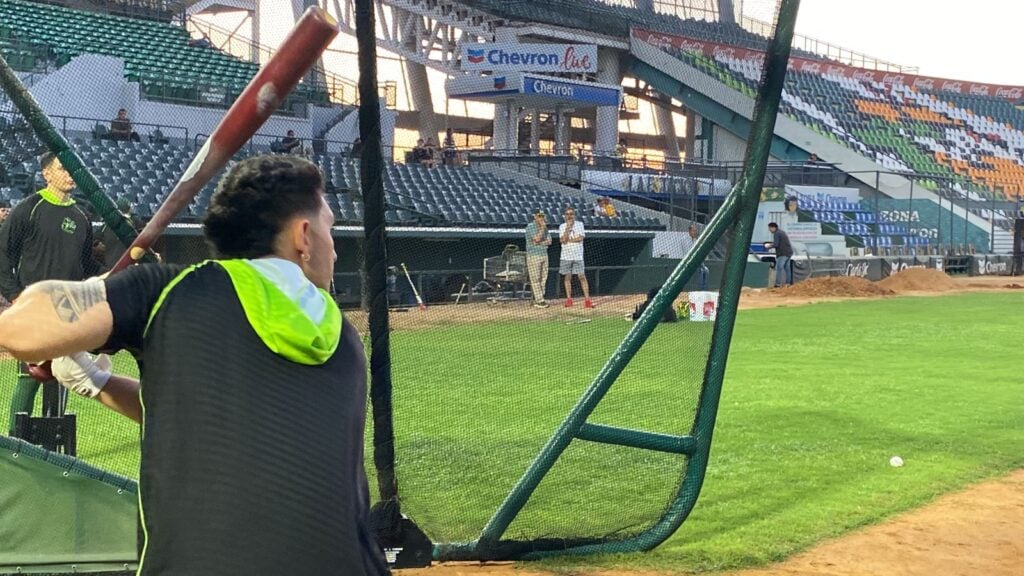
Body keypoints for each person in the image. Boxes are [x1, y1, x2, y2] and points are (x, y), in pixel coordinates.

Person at [0, 155, 389, 575]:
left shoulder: (176, 291)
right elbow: (223, 419)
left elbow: (20, 331)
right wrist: (98, 381)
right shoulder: (342, 339)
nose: (334, 247)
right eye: (330, 228)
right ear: (305, 235)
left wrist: (98, 305)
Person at [0, 152, 100, 435]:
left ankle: (55, 447)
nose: (70, 174)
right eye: (62, 168)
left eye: (73, 169)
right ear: (46, 174)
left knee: (63, 376)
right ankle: (15, 443)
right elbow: (2, 253)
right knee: (29, 377)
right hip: (32, 309)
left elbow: (87, 265)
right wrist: (15, 296)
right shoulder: (28, 209)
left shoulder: (81, 216)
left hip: (68, 310)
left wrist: (121, 272)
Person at [559, 207, 592, 308]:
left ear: (574, 215)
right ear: (565, 216)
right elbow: (563, 240)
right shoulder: (562, 226)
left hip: (578, 256)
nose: (569, 216)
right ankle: (569, 299)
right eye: (567, 214)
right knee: (567, 277)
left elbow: (580, 238)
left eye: (571, 214)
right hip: (566, 256)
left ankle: (587, 300)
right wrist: (567, 229)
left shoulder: (579, 224)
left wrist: (570, 240)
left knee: (581, 276)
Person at [524, 209, 551, 308]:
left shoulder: (545, 228)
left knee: (544, 278)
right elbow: (536, 239)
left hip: (544, 254)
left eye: (542, 216)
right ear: (535, 216)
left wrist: (539, 242)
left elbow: (549, 241)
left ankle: (539, 298)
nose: (541, 218)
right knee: (535, 278)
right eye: (539, 216)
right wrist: (542, 228)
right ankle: (539, 301)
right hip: (534, 255)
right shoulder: (530, 227)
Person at [766, 222, 794, 288]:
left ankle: (777, 284)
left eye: (770, 228)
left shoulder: (777, 233)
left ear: (773, 227)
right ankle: (788, 283)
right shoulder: (781, 232)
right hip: (788, 252)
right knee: (787, 269)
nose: (769, 230)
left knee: (779, 268)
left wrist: (768, 246)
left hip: (782, 253)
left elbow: (776, 244)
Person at [681, 224, 709, 290]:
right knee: (701, 271)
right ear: (689, 231)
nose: (695, 232)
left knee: (706, 270)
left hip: (697, 261)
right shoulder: (684, 240)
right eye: (693, 230)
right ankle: (700, 289)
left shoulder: (696, 240)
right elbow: (688, 252)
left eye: (696, 231)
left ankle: (704, 289)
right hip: (688, 261)